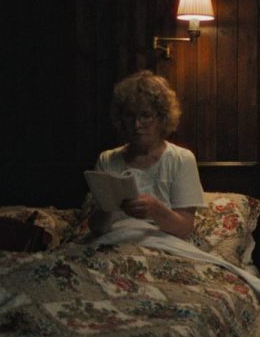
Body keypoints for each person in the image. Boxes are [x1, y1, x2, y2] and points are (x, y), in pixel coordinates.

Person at [87, 71, 204, 240]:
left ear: (162, 117)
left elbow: (184, 228)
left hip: (160, 241)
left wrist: (156, 210)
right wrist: (110, 206)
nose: (137, 124)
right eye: (129, 115)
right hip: (114, 241)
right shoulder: (108, 160)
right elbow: (97, 228)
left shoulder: (181, 159)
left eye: (146, 115)